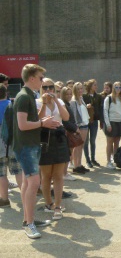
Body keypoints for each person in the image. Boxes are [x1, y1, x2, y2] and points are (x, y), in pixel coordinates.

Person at [13, 64, 60, 238]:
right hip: (26, 146)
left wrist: (43, 112)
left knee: (27, 183)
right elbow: (22, 125)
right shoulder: (24, 97)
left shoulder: (28, 96)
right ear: (32, 78)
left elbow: (32, 119)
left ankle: (29, 219)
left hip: (28, 145)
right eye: (41, 78)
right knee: (33, 184)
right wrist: (43, 123)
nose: (42, 82)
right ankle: (29, 223)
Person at [36, 78, 70, 221]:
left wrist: (56, 101)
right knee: (46, 175)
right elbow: (37, 120)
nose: (48, 90)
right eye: (45, 87)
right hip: (44, 138)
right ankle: (48, 203)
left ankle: (57, 206)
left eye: (51, 87)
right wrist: (44, 103)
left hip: (59, 137)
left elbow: (66, 117)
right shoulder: (37, 102)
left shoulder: (60, 102)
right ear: (41, 89)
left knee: (58, 174)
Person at [0, 83, 23, 208]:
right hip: (14, 143)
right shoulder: (12, 106)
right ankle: (25, 196)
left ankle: (4, 199)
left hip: (0, 146)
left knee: (1, 174)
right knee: (18, 172)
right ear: (6, 93)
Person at [103, 82, 121, 169]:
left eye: (119, 87)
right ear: (113, 88)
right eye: (116, 87)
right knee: (109, 142)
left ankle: (116, 160)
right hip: (111, 122)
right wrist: (108, 124)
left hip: (119, 122)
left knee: (117, 142)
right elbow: (105, 111)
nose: (118, 89)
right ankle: (108, 161)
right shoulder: (108, 98)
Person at [60, 87, 78, 182]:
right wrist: (75, 128)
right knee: (67, 154)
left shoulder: (68, 104)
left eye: (70, 94)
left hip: (70, 130)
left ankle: (65, 172)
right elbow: (65, 121)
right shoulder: (64, 105)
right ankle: (64, 173)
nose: (69, 96)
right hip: (67, 131)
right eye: (67, 94)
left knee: (69, 153)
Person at [82, 79, 102, 168]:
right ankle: (88, 160)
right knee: (86, 141)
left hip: (94, 121)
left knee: (93, 140)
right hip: (86, 121)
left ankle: (93, 159)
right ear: (90, 86)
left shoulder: (98, 96)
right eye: (94, 85)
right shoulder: (84, 96)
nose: (96, 86)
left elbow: (99, 109)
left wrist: (101, 120)